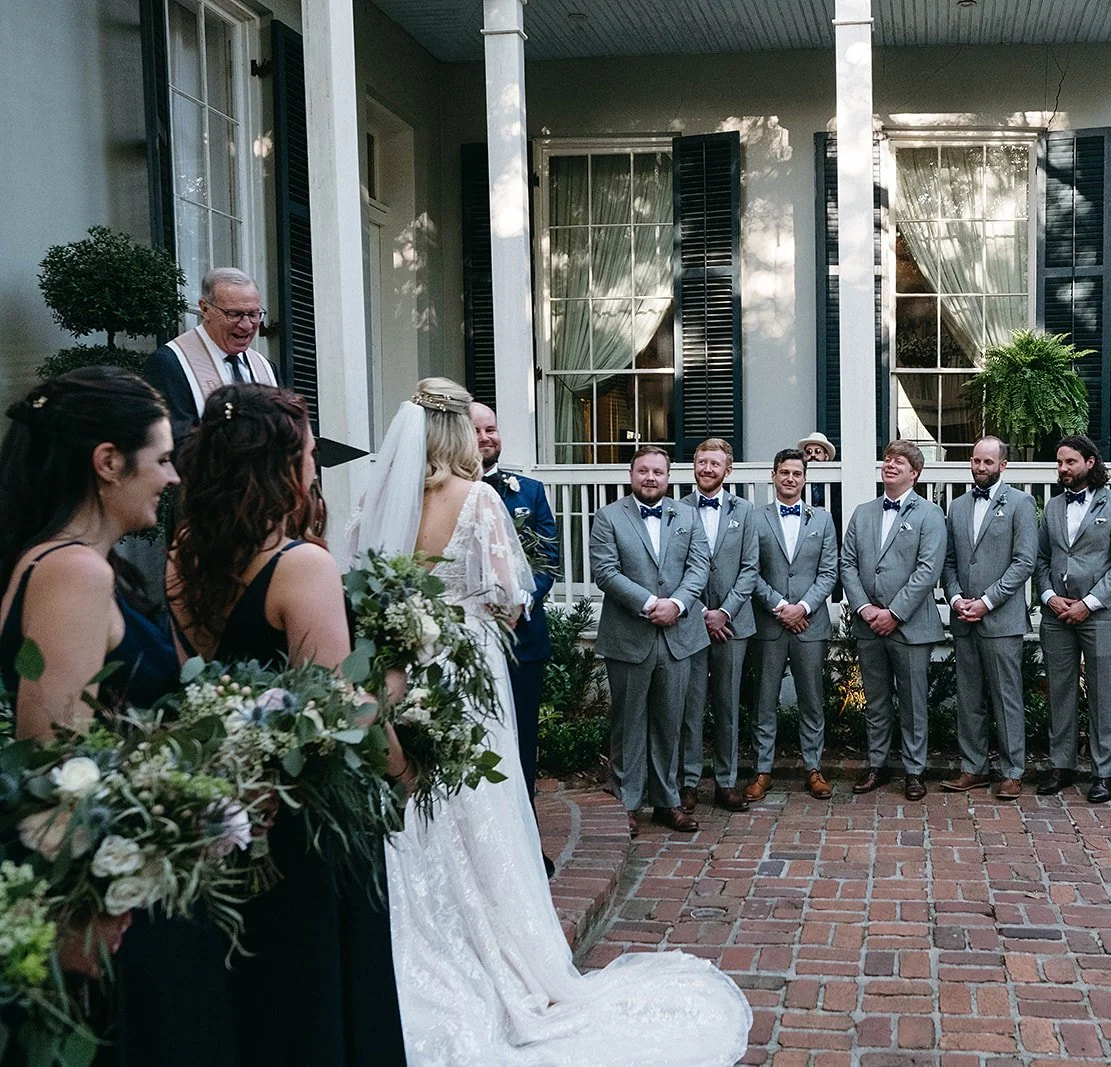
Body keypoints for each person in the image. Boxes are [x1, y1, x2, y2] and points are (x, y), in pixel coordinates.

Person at [352, 384, 752, 1065]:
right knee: (480, 799)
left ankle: (420, 941)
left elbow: (364, 579)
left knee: (417, 796)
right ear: (457, 432)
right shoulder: (475, 499)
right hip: (465, 663)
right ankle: (500, 948)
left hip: (403, 661)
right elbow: (512, 596)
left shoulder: (382, 496)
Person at [167, 384, 407, 1067]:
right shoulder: (300, 565)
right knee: (317, 992)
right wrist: (403, 753)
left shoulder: (183, 552)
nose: (312, 466)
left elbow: (200, 682)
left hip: (232, 803)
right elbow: (343, 712)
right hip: (307, 818)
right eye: (306, 453)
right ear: (279, 463)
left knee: (257, 991)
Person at [0, 368, 209, 1062]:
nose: (173, 478)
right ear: (107, 462)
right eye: (162, 459)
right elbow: (54, 758)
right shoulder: (71, 572)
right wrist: (86, 910)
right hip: (107, 906)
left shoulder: (85, 563)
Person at [590, 446, 712, 835]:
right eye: (643, 471)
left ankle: (667, 801)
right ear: (631, 474)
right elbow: (605, 572)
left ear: (668, 477)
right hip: (629, 635)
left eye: (658, 472)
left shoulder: (688, 515)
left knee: (670, 721)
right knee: (628, 722)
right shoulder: (609, 517)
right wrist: (648, 603)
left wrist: (676, 604)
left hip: (679, 635)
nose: (650, 478)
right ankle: (626, 803)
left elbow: (700, 566)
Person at [470, 401, 558, 876]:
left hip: (522, 637)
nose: (487, 436)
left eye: (493, 428)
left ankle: (526, 842)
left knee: (522, 744)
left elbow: (547, 558)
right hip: (470, 640)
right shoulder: (448, 492)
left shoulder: (530, 490)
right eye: (477, 429)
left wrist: (519, 601)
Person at [1035, 435, 1111, 803]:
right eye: (1060, 463)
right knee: (1059, 691)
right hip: (1056, 613)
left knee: (1102, 693)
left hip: (1100, 615)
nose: (1063, 469)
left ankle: (1102, 772)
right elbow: (1042, 559)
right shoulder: (1051, 508)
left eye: (1070, 462)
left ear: (1090, 463)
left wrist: (1089, 603)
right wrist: (1049, 597)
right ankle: (1061, 766)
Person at [840, 440, 947, 801]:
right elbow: (847, 564)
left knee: (914, 702)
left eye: (899, 462)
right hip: (869, 624)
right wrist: (865, 609)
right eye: (887, 459)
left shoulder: (930, 515)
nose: (890, 465)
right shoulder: (863, 512)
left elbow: (927, 570)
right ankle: (877, 765)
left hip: (910, 626)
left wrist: (895, 613)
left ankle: (915, 771)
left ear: (914, 473)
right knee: (875, 700)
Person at [941, 436, 1038, 801]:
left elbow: (1024, 562)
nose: (981, 467)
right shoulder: (957, 506)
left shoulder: (1021, 503)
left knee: (1005, 696)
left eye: (988, 462)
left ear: (1003, 465)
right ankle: (973, 768)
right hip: (964, 617)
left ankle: (1013, 771)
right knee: (968, 697)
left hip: (1001, 619)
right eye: (976, 461)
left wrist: (986, 601)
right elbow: (948, 561)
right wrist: (955, 598)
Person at [748, 449, 839, 800]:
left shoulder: (822, 520)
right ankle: (762, 769)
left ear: (805, 478)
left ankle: (814, 767)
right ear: (773, 475)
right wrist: (780, 606)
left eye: (796, 473)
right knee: (764, 700)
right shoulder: (756, 519)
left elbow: (829, 571)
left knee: (812, 699)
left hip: (809, 625)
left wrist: (802, 607)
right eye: (784, 472)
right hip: (769, 625)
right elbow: (750, 572)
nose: (790, 478)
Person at [679, 438, 759, 814]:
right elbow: (673, 570)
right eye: (702, 462)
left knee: (727, 705)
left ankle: (726, 781)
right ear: (694, 466)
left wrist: (724, 611)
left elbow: (750, 569)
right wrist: (699, 614)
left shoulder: (746, 511)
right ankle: (689, 781)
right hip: (689, 624)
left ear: (728, 470)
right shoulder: (675, 511)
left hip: (733, 624)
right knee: (690, 706)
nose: (707, 469)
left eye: (715, 464)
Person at [143, 267, 277, 443]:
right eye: (234, 314)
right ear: (205, 309)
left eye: (253, 314)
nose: (247, 325)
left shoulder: (265, 367)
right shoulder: (170, 363)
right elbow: (175, 442)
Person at [798, 431, 835, 508]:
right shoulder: (798, 478)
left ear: (826, 456)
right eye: (808, 452)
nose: (813, 455)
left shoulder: (834, 480)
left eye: (818, 451)